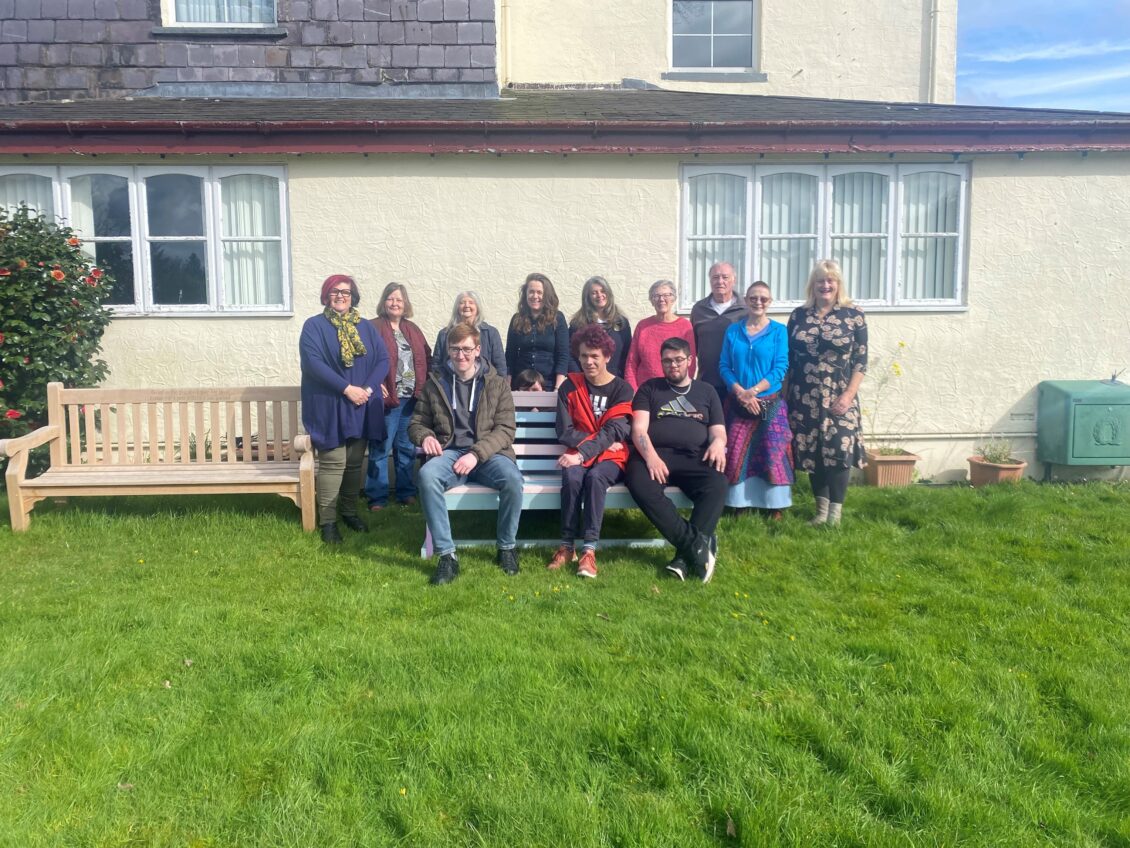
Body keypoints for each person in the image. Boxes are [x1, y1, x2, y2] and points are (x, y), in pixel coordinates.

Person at [409, 323, 524, 585]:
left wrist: (475, 454)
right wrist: (425, 436)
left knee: (513, 480)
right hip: (450, 452)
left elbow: (506, 430)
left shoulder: (496, 384)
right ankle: (447, 556)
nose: (461, 355)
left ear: (478, 350)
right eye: (455, 349)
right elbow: (417, 423)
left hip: (488, 453)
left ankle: (506, 547)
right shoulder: (435, 383)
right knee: (427, 476)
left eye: (466, 349)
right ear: (448, 350)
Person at [624, 337, 727, 583]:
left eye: (678, 359)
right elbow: (639, 430)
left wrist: (718, 443)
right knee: (639, 483)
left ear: (690, 360)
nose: (673, 365)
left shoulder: (707, 391)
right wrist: (651, 457)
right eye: (667, 361)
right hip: (655, 455)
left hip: (694, 456)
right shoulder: (650, 388)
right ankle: (698, 545)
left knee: (717, 484)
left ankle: (684, 558)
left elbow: (718, 431)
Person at [299, 274, 388, 544]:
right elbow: (313, 364)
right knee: (334, 461)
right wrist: (346, 389)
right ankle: (328, 521)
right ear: (326, 296)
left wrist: (367, 390)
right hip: (330, 404)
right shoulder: (314, 326)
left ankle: (349, 512)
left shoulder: (366, 327)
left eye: (346, 292)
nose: (341, 296)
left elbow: (382, 359)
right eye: (335, 291)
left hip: (362, 403)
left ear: (353, 297)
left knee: (353, 462)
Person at [547, 325, 634, 579]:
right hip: (579, 451)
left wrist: (586, 451)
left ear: (607, 356)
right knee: (572, 477)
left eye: (595, 356)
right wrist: (596, 445)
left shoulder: (622, 389)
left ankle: (589, 551)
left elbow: (615, 430)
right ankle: (566, 547)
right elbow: (564, 431)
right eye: (584, 355)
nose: (588, 361)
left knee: (596, 478)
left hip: (611, 457)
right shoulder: (569, 387)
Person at [786, 259, 868, 526]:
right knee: (814, 452)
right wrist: (785, 398)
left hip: (839, 394)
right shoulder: (798, 316)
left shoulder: (853, 315)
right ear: (813, 284)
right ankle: (821, 513)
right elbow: (789, 360)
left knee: (838, 449)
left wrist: (848, 395)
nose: (825, 285)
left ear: (838, 284)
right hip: (804, 395)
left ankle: (835, 514)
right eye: (820, 280)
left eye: (830, 280)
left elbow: (860, 361)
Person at [719, 281, 794, 517]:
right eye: (753, 298)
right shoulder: (733, 331)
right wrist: (740, 392)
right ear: (746, 301)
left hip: (769, 401)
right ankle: (738, 503)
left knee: (773, 451)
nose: (758, 302)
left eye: (763, 298)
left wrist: (753, 391)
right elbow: (724, 365)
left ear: (770, 302)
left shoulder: (778, 331)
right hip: (737, 401)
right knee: (736, 450)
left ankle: (774, 505)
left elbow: (780, 367)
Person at [365, 282, 431, 511]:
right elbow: (362, 359)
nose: (395, 303)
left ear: (405, 304)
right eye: (390, 298)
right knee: (381, 447)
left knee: (406, 447)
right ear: (384, 302)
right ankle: (377, 496)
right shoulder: (372, 327)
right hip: (386, 399)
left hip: (411, 399)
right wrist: (374, 383)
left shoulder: (412, 329)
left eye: (399, 299)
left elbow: (427, 357)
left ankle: (406, 491)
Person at [624, 279, 696, 389]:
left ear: (673, 299)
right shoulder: (643, 326)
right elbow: (631, 363)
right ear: (651, 301)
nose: (661, 299)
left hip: (675, 389)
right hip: (645, 390)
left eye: (666, 295)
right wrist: (633, 390)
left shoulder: (685, 326)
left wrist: (683, 388)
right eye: (656, 296)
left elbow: (690, 363)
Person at [690, 261, 746, 400]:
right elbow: (693, 347)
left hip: (739, 385)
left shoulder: (746, 309)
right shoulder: (699, 309)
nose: (720, 281)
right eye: (715, 277)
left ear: (734, 280)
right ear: (710, 280)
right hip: (708, 382)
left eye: (725, 277)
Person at [505, 273, 570, 390]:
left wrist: (557, 388)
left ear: (547, 295)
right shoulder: (517, 319)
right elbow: (510, 355)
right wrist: (507, 387)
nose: (535, 296)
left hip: (549, 384)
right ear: (525, 294)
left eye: (539, 292)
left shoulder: (558, 319)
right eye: (531, 292)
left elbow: (563, 355)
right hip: (522, 385)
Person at [568, 275, 632, 378]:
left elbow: (628, 354)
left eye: (603, 291)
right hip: (586, 380)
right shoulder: (578, 324)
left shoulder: (621, 322)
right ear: (587, 297)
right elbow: (570, 354)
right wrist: (579, 377)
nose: (599, 295)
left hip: (615, 380)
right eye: (594, 293)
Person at [431, 290, 507, 376]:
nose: (467, 305)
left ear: (477, 307)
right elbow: (436, 364)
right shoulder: (444, 334)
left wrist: (500, 383)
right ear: (457, 308)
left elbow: (500, 365)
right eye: (462, 303)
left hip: (485, 382)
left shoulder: (491, 333)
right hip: (451, 382)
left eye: (471, 303)